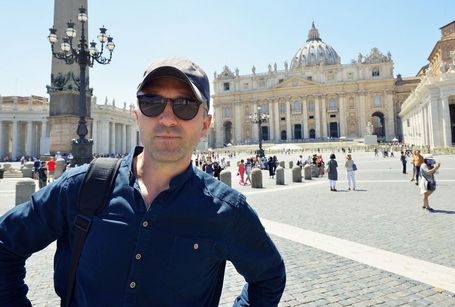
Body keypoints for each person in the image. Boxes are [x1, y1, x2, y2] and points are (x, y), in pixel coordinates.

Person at [0, 57, 285, 306]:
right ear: (137, 116)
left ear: (205, 125)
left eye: (185, 105)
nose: (168, 118)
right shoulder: (79, 188)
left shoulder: (227, 211)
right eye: (152, 102)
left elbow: (269, 277)